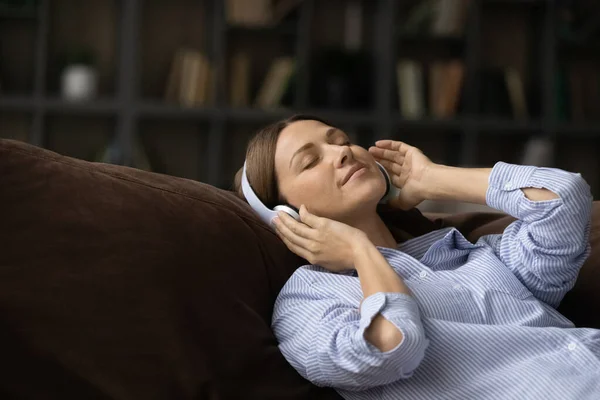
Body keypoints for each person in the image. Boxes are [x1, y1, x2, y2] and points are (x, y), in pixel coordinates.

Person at [233, 115, 600, 400]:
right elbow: (391, 347)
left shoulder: (467, 252)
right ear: (283, 214)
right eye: (310, 161)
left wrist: (432, 178)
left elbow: (564, 198)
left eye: (341, 140)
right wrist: (361, 251)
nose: (342, 152)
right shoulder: (307, 301)